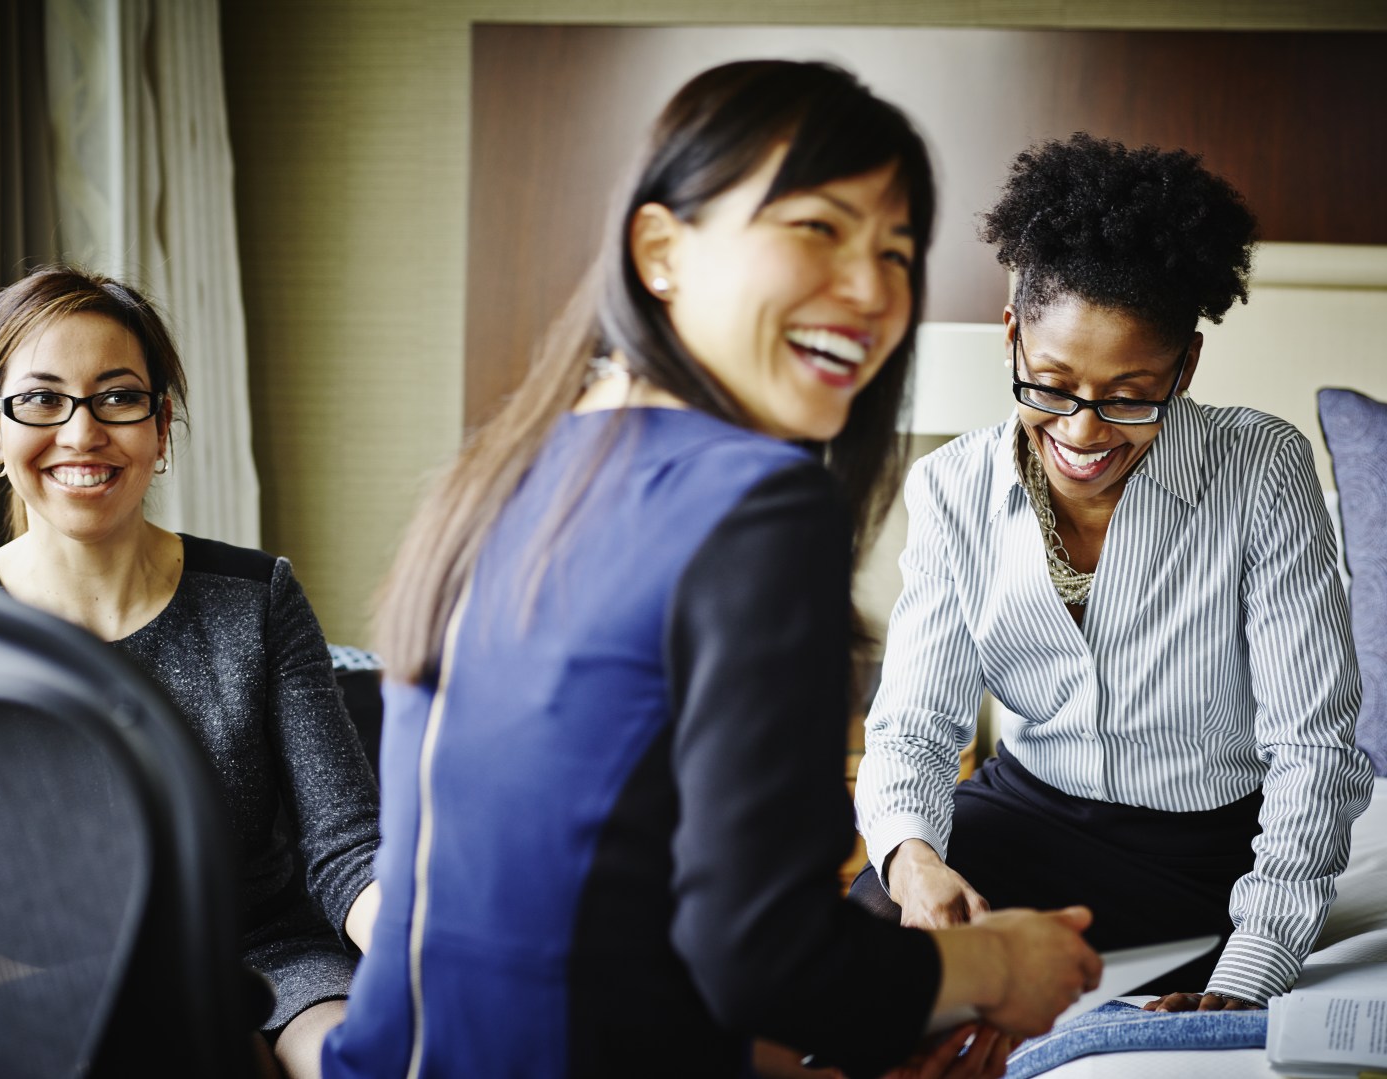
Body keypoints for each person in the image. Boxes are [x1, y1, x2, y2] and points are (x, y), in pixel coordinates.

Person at [321, 60, 1100, 1079]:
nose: (872, 290)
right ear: (660, 250)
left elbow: (596, 928)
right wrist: (996, 960)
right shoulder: (756, 503)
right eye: (817, 228)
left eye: (897, 251)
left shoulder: (509, 468)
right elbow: (760, 956)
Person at [851, 132, 1374, 1013]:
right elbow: (912, 726)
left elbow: (1314, 748)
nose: (1084, 433)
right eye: (1051, 384)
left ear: (1187, 366)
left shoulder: (1261, 471)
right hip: (1025, 810)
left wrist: (1255, 966)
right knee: (867, 957)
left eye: (1130, 395)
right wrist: (914, 860)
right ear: (1011, 336)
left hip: (1207, 855)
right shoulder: (951, 488)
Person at [0, 265, 383, 1079]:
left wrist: (429, 947)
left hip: (267, 956)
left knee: (364, 1061)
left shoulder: (258, 596)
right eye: (43, 399)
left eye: (116, 397)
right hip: (43, 975)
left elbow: (348, 847)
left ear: (160, 425)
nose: (82, 433)